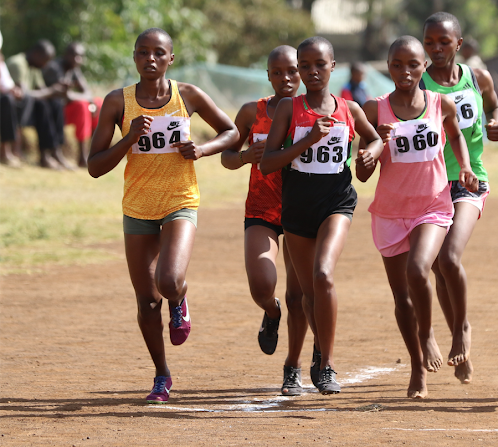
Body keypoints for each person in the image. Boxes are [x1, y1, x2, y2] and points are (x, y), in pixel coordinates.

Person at [87, 28, 239, 404]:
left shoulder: (186, 96)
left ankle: (180, 298)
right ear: (134, 57)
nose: (150, 59)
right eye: (143, 52)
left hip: (179, 200)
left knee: (168, 281)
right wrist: (127, 139)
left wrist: (202, 150)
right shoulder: (116, 103)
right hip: (137, 206)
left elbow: (233, 132)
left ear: (171, 58)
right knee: (146, 301)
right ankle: (161, 375)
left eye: (159, 53)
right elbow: (93, 165)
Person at [260, 36, 383, 395]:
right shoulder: (289, 109)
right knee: (298, 297)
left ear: (333, 66)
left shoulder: (349, 109)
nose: (313, 71)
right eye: (306, 65)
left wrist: (369, 153)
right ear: (299, 69)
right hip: (297, 206)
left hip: (336, 202)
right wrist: (307, 141)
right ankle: (292, 365)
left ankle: (326, 364)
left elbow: (375, 140)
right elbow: (268, 162)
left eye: (320, 64)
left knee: (323, 275)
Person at [360, 35, 478, 398]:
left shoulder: (440, 104)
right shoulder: (373, 109)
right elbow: (362, 172)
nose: (405, 71)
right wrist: (372, 150)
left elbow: (456, 137)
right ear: (389, 67)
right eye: (397, 64)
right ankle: (417, 372)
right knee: (402, 297)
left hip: (433, 204)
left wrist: (467, 169)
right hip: (390, 211)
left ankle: (433, 334)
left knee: (419, 269)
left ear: (424, 66)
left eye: (413, 64)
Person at [220, 45, 309, 396]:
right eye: (277, 72)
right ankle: (270, 314)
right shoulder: (251, 112)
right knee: (262, 285)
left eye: (292, 71)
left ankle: (294, 367)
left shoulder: (313, 110)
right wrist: (244, 157)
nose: (286, 78)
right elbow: (226, 157)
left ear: (301, 71)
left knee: (298, 294)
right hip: (262, 207)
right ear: (268, 75)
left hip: (303, 208)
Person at [421, 12, 498, 384]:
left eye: (444, 42)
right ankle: (461, 336)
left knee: (450, 256)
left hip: (471, 181)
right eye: (430, 43)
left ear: (459, 43)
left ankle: (460, 330)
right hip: (432, 184)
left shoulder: (476, 76)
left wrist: (495, 122)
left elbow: (494, 106)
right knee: (438, 266)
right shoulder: (418, 85)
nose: (436, 49)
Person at [6, 39, 71, 169]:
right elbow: (23, 95)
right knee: (42, 105)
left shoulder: (34, 67)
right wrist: (52, 90)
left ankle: (56, 151)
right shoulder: (18, 64)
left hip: (25, 108)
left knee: (55, 103)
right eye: (45, 60)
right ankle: (44, 156)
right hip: (12, 110)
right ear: (36, 54)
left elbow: (42, 90)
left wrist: (56, 89)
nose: (46, 65)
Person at [43, 42, 103, 167]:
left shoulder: (74, 69)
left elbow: (86, 92)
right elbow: (65, 96)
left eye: (80, 56)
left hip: (66, 108)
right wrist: (85, 99)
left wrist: (88, 100)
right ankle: (82, 156)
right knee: (82, 105)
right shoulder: (54, 68)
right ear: (66, 55)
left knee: (99, 103)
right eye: (74, 55)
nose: (78, 59)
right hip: (54, 112)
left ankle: (98, 152)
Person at [0, 30, 25, 167]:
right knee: (6, 101)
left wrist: (14, 90)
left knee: (14, 101)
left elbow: (7, 83)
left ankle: (12, 150)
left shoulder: (1, 61)